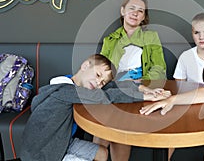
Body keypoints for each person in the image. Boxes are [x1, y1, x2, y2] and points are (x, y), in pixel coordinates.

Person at [20, 54, 170, 161]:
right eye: (98, 75)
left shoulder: (73, 82)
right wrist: (145, 97)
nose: (99, 83)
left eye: (102, 82)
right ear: (85, 66)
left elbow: (113, 85)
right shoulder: (64, 90)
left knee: (102, 153)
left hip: (63, 141)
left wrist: (142, 88)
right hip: (44, 154)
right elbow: (104, 96)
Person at [100, 0, 166, 81]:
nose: (135, 13)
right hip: (115, 87)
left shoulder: (151, 37)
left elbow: (160, 69)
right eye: (131, 8)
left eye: (140, 11)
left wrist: (140, 82)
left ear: (143, 17)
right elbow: (100, 70)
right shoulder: (109, 40)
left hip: (143, 86)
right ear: (123, 11)